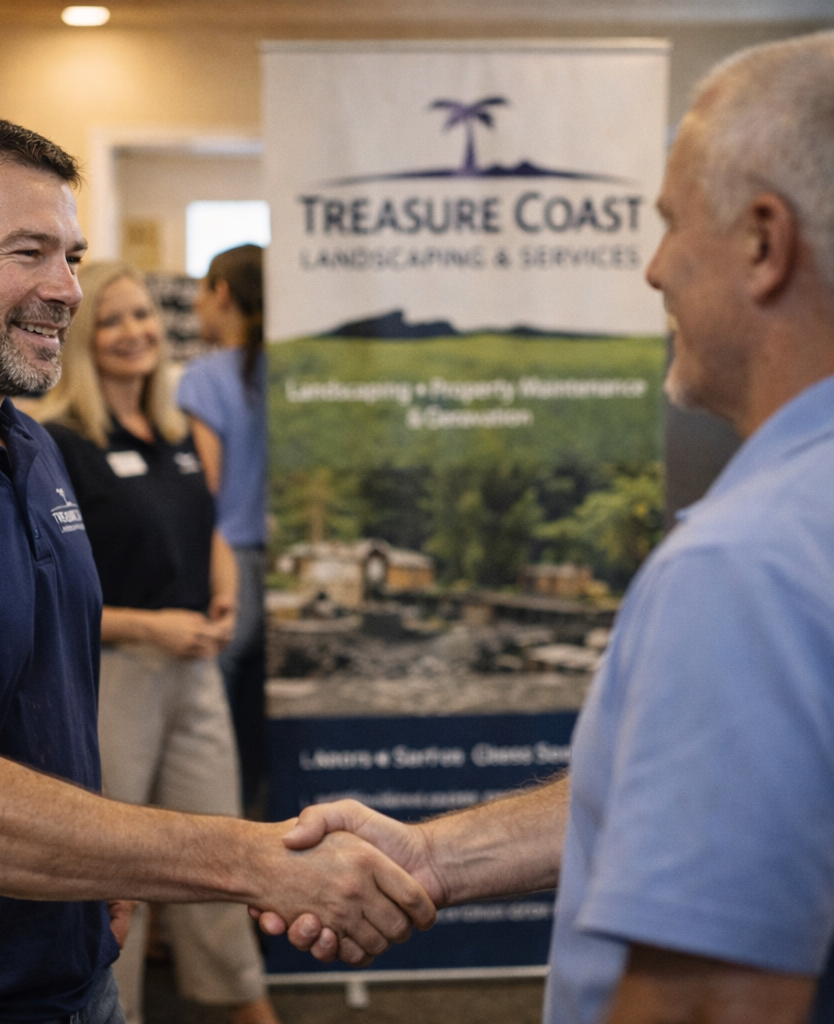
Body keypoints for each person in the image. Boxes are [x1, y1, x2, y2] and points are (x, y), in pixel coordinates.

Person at [0, 114, 437, 1024]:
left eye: (72, 255)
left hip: (72, 968)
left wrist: (97, 858)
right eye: (29, 253)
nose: (67, 289)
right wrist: (250, 859)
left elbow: (41, 695)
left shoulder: (29, 448)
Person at [260, 32, 834, 1024]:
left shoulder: (746, 567)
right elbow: (702, 797)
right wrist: (429, 855)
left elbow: (707, 1003)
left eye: (669, 225)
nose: (652, 270)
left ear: (761, 241)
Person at [37, 261, 280, 1024]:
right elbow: (51, 600)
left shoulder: (174, 432)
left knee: (221, 852)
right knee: (119, 874)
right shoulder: (58, 444)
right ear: (82, 338)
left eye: (142, 316)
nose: (133, 332)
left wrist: (224, 586)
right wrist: (152, 626)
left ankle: (247, 1004)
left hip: (195, 670)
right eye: (111, 320)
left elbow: (205, 522)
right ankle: (120, 1011)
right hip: (117, 677)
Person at [176, 244, 269, 814]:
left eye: (201, 289)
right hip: (285, 574)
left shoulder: (205, 377)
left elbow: (203, 489)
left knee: (220, 750)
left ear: (223, 294)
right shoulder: (291, 372)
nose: (194, 303)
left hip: (229, 569)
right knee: (270, 747)